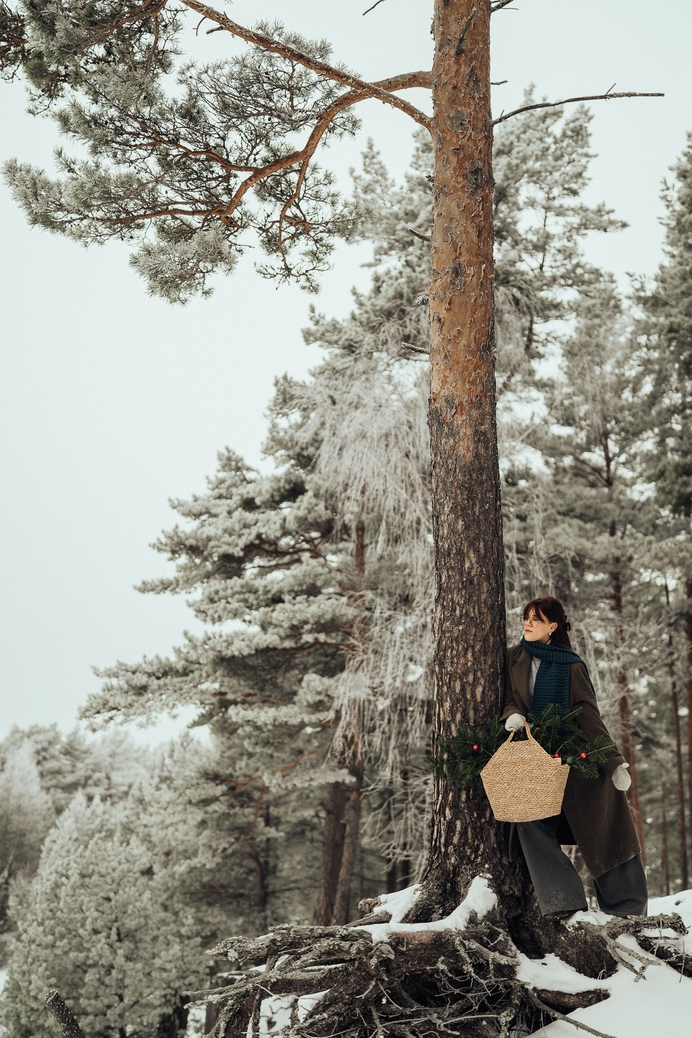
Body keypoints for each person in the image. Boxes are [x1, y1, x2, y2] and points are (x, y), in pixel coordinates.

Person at [501, 595, 648, 919]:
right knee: (527, 818)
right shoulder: (513, 657)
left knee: (607, 825)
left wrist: (613, 763)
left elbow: (588, 715)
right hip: (534, 760)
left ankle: (628, 910)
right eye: (526, 617)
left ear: (553, 626)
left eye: (536, 619)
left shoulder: (571, 665)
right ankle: (564, 900)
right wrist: (511, 715)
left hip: (576, 758)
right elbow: (509, 698)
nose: (528, 623)